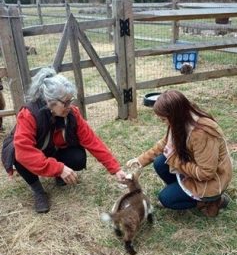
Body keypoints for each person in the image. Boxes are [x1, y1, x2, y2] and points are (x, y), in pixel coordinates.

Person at [1, 68, 126, 213]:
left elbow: (91, 140)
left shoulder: (72, 113)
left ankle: (59, 176)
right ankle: (38, 191)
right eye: (65, 103)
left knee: (78, 157)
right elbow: (24, 152)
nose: (69, 106)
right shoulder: (29, 115)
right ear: (50, 102)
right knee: (17, 154)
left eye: (70, 101)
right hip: (31, 152)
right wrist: (58, 168)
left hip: (51, 150)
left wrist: (115, 169)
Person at [127, 90, 232, 217]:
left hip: (212, 181)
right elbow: (165, 144)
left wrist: (175, 160)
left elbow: (206, 173)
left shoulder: (202, 134)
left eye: (163, 119)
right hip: (194, 167)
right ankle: (181, 191)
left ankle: (211, 201)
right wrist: (141, 160)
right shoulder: (182, 119)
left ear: (174, 115)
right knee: (160, 162)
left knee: (166, 198)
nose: (163, 122)